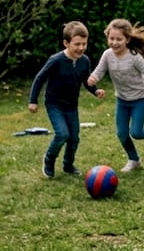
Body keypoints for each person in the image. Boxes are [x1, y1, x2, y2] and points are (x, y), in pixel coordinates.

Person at [28, 20, 107, 178]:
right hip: (54, 104)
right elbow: (39, 79)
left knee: (74, 138)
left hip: (71, 105)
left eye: (84, 44)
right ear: (66, 43)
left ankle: (68, 164)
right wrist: (33, 101)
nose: (81, 48)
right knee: (62, 134)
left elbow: (86, 80)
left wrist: (95, 90)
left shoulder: (84, 61)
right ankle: (49, 159)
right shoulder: (56, 60)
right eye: (77, 44)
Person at [88, 18, 144, 173]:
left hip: (139, 99)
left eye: (119, 39)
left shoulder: (134, 57)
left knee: (136, 132)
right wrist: (93, 78)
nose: (114, 42)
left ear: (127, 39)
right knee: (122, 133)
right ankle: (134, 159)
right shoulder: (107, 55)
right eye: (111, 38)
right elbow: (100, 70)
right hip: (122, 100)